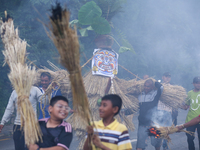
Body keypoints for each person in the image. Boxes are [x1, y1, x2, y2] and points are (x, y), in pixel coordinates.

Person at [136, 79, 163, 150]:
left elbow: (161, 88)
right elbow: (136, 107)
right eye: (145, 86)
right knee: (140, 144)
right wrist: (125, 112)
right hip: (142, 124)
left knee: (156, 143)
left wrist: (157, 83)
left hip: (153, 123)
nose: (146, 88)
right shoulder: (140, 95)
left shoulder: (155, 94)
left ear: (152, 87)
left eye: (148, 86)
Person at [155, 72, 173, 150]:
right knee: (158, 133)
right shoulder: (158, 87)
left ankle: (165, 148)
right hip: (159, 111)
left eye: (169, 77)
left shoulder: (173, 88)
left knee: (166, 133)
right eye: (166, 77)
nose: (167, 78)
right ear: (163, 77)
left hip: (168, 112)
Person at [182, 76, 200, 150]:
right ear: (193, 84)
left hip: (199, 120)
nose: (198, 84)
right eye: (196, 83)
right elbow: (186, 107)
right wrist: (179, 104)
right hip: (190, 120)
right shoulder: (189, 93)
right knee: (190, 139)